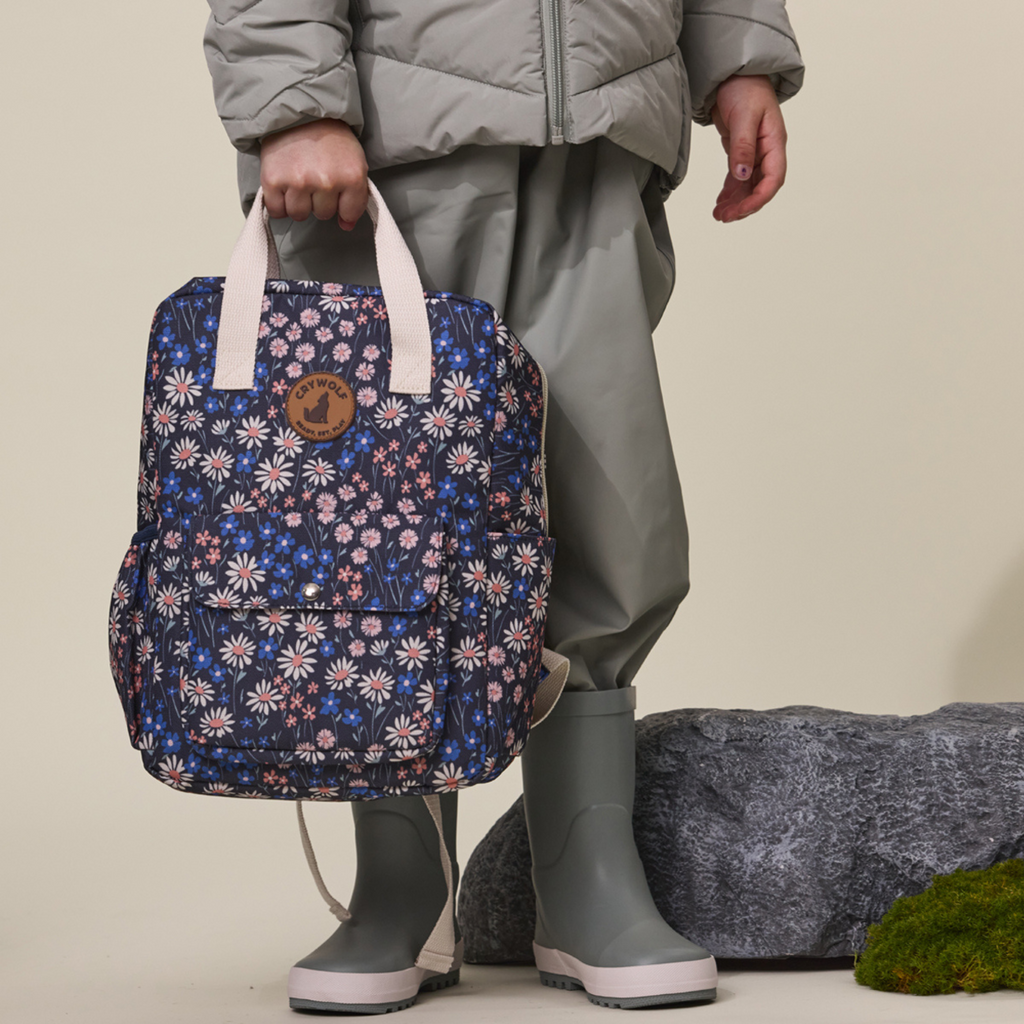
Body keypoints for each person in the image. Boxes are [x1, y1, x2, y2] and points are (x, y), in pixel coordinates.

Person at [203, 0, 804, 1012]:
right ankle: (400, 891)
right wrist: (293, 101)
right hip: (394, 145)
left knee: (612, 505)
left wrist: (736, 52)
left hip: (606, 134)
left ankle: (585, 884)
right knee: (387, 524)